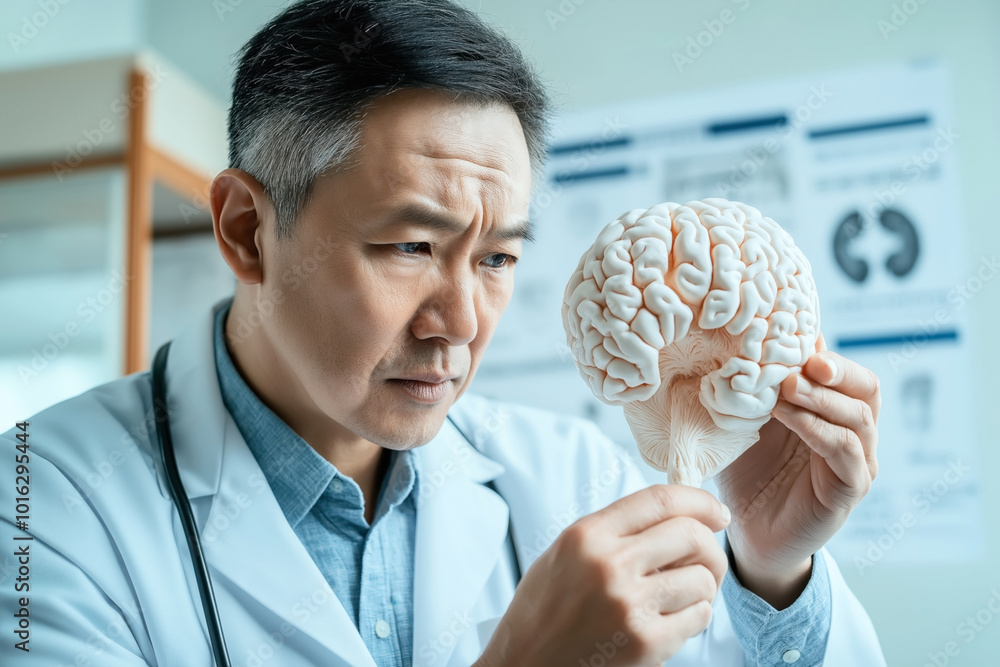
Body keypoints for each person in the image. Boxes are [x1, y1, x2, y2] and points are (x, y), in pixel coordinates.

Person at [0, 1, 886, 665]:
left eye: (497, 259)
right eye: (410, 245)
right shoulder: (41, 504)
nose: (460, 323)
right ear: (244, 230)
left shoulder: (577, 479)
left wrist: (772, 570)